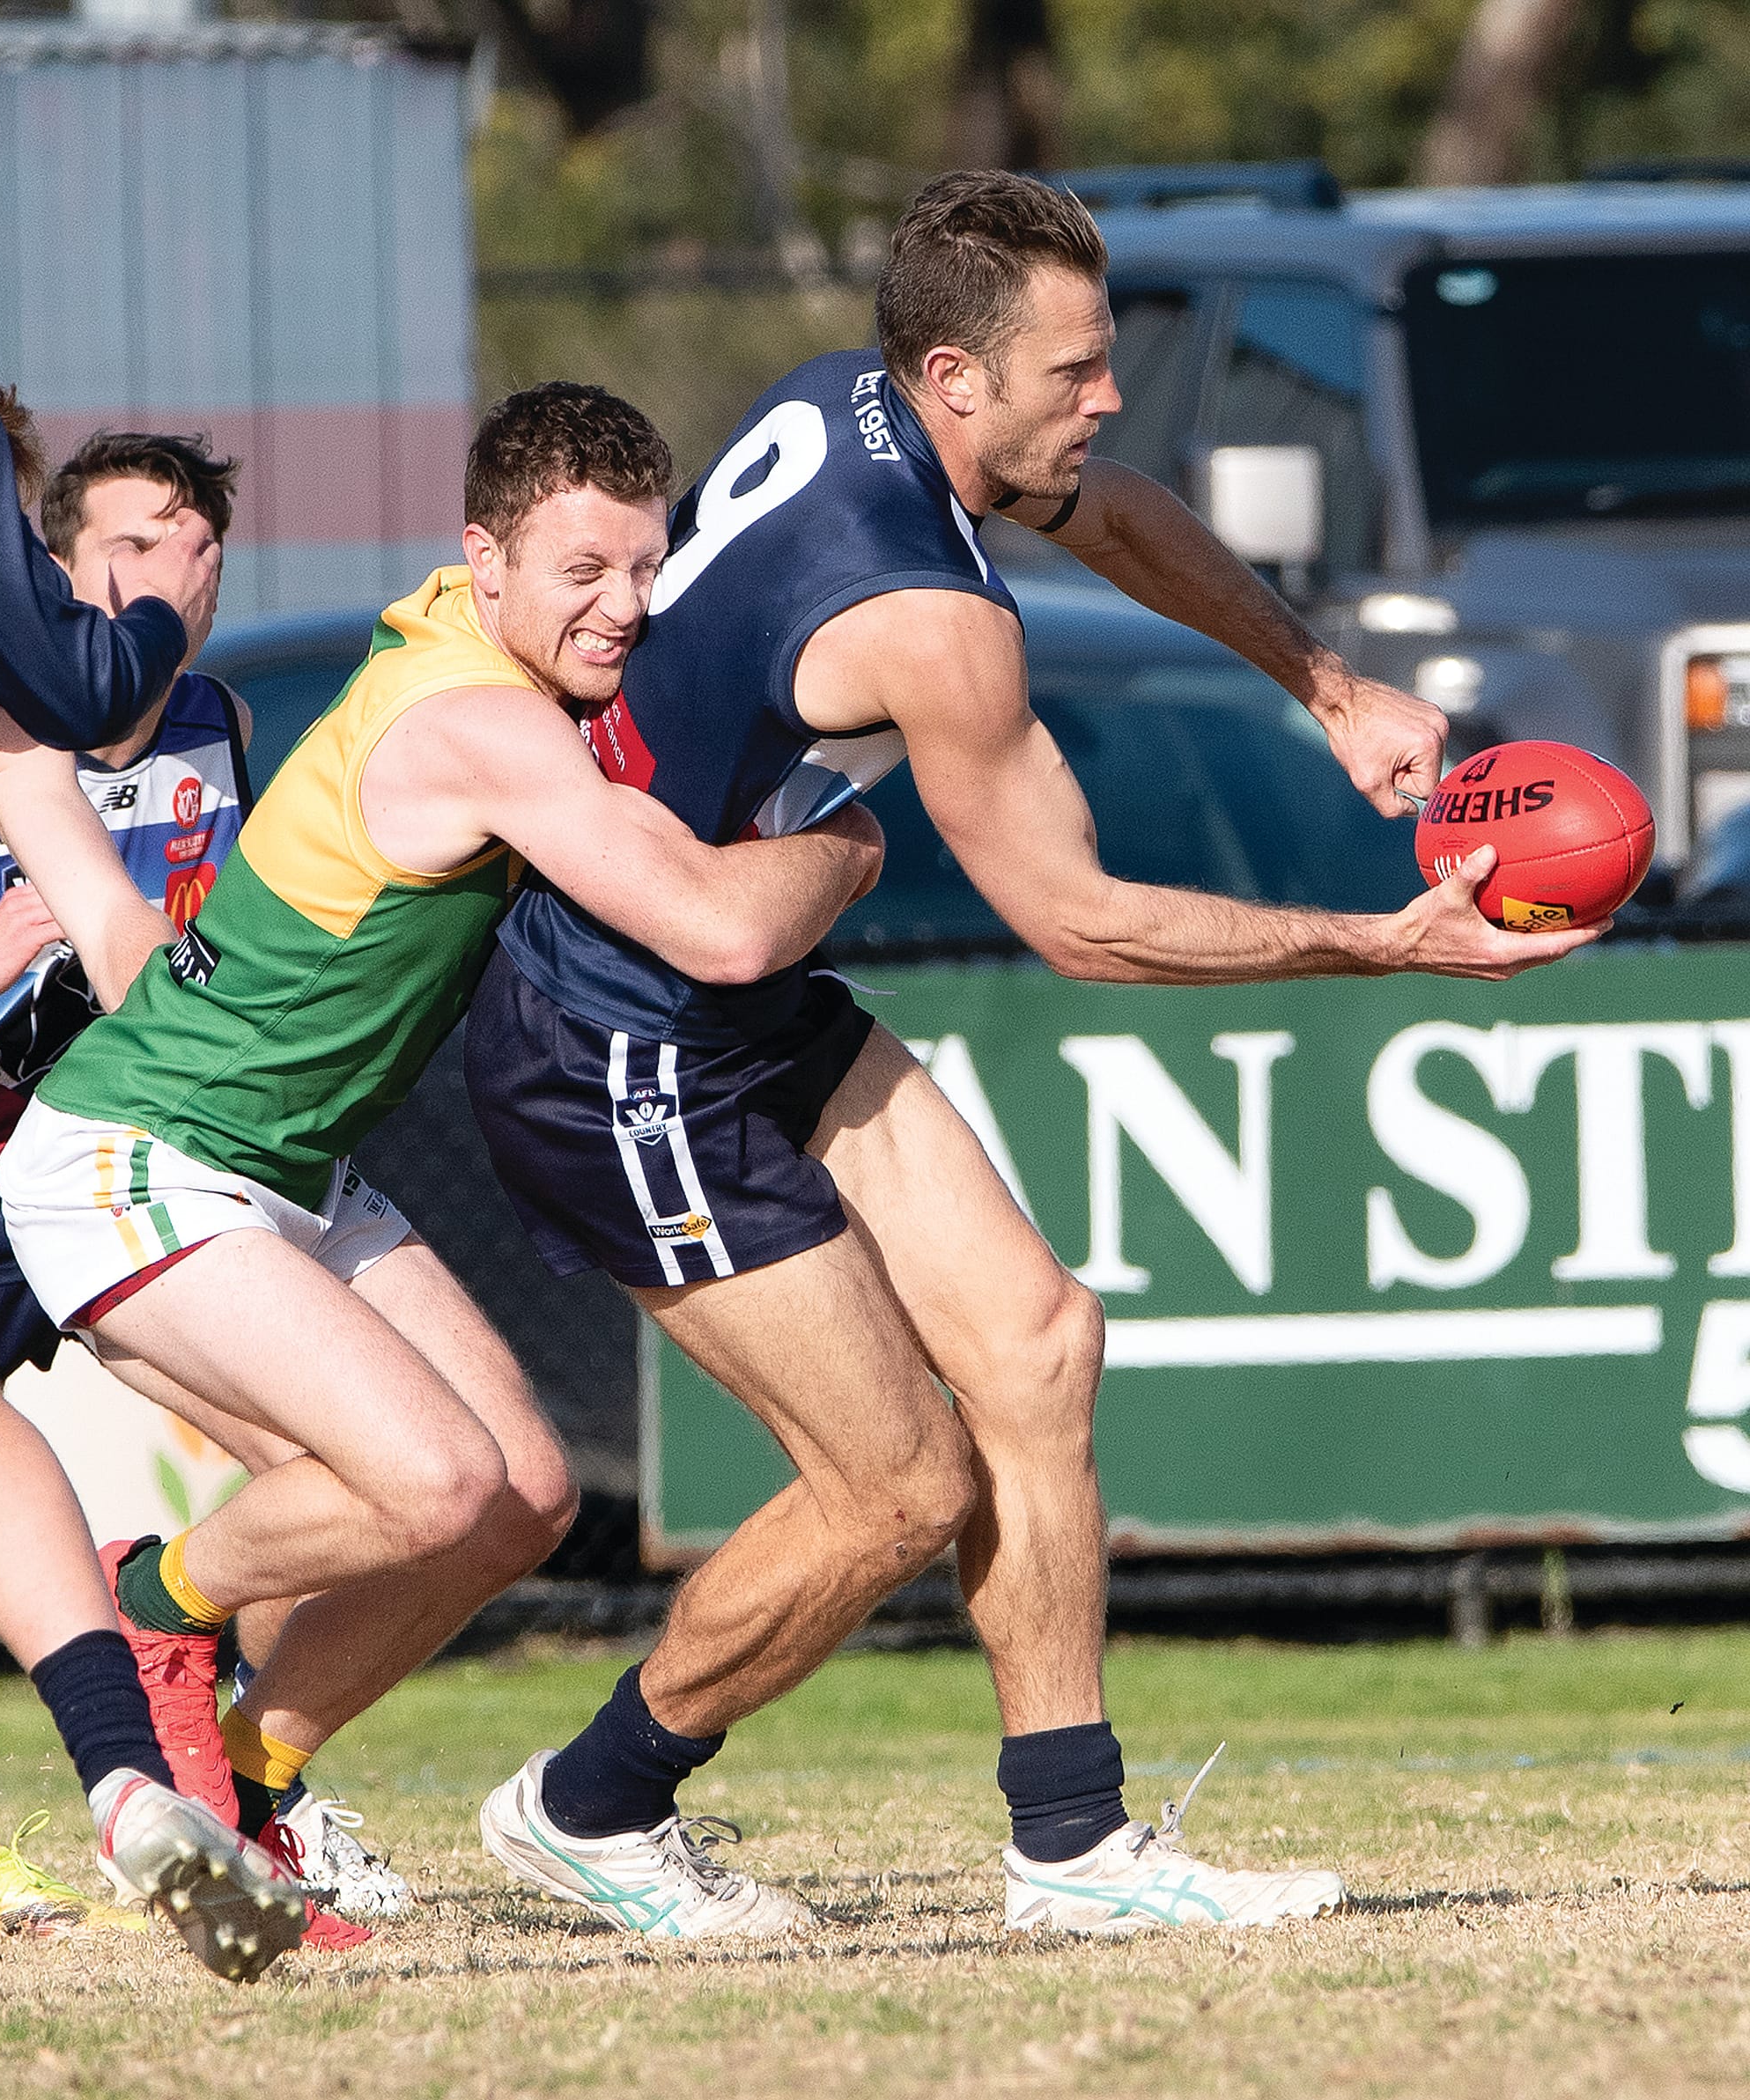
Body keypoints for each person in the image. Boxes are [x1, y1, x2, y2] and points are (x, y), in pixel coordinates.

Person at [463, 172, 1602, 1941]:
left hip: (733, 987)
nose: (1111, 394)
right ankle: (592, 1800)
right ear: (955, 375)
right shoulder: (930, 616)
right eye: (1077, 369)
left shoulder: (841, 400)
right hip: (617, 1045)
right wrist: (1383, 945)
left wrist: (1324, 680)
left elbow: (1110, 505)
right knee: (897, 1483)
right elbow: (1077, 922)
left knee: (1038, 1337)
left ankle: (1071, 1842)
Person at [0, 385, 883, 1942]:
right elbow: (728, 929)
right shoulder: (476, 721)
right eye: (581, 572)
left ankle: (249, 1787)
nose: (623, 606)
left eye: (644, 568)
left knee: (522, 1499)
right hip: (135, 1151)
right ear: (485, 562)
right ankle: (156, 1608)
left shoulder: (469, 657)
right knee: (430, 1480)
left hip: (281, 1157)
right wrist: (853, 827)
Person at [0, 392, 303, 1980]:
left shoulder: (213, 723)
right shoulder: (16, 717)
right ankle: (136, 1778)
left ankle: (233, 1780)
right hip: (5, 1141)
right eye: (129, 547)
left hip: (117, 1145)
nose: (172, 575)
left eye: (200, 548)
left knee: (341, 1460)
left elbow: (131, 938)